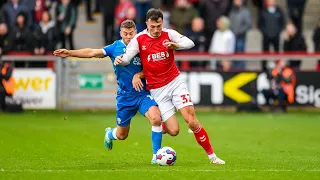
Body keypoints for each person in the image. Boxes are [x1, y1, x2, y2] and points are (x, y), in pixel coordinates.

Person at [114, 8, 225, 165]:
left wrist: (176, 45)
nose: (156, 30)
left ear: (162, 23)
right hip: (157, 90)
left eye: (159, 25)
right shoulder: (139, 39)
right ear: (147, 24)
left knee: (192, 121)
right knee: (174, 131)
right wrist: (120, 60)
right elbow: (127, 58)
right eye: (152, 26)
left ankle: (212, 156)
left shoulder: (169, 34)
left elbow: (190, 43)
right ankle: (164, 127)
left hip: (175, 82)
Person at [53, 20, 163, 164]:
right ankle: (110, 134)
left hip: (142, 94)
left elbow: (152, 65)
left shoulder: (141, 45)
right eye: (126, 34)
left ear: (136, 32)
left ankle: (156, 156)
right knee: (122, 135)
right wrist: (70, 53)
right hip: (125, 98)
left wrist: (140, 75)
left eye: (131, 33)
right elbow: (92, 52)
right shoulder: (115, 47)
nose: (129, 37)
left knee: (156, 118)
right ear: (120, 33)